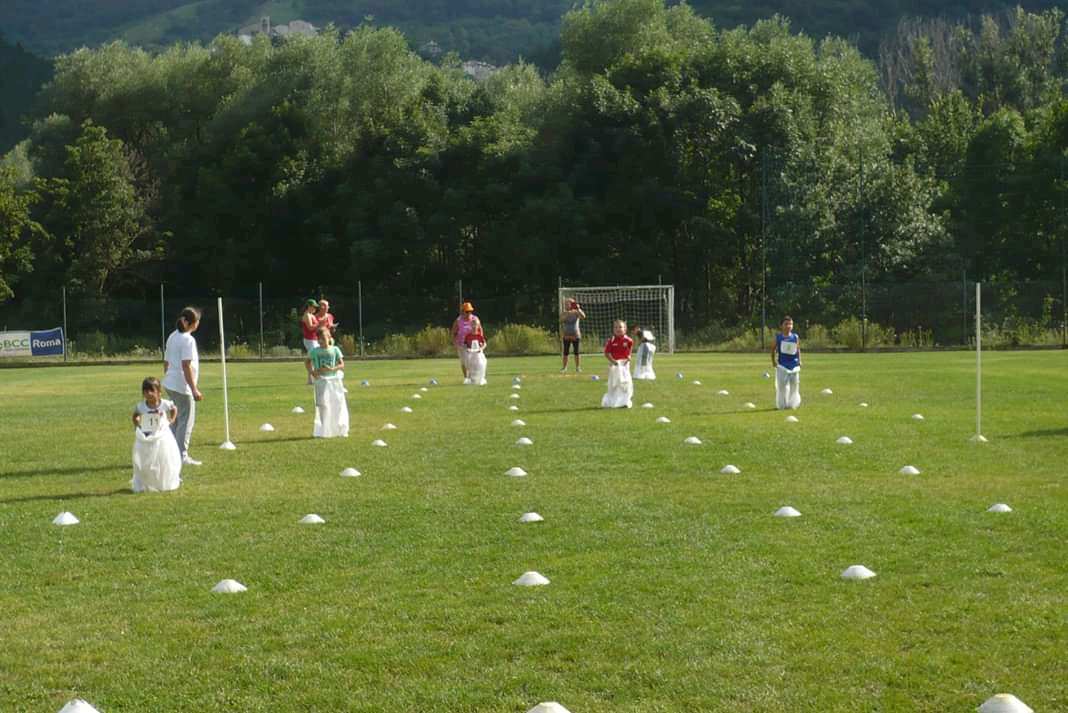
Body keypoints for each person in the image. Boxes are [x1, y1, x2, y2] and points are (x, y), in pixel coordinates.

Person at [163, 307, 203, 466]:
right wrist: (194, 389)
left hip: (170, 383)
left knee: (176, 420)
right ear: (192, 323)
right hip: (181, 386)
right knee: (185, 421)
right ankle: (181, 455)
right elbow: (186, 365)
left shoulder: (173, 336)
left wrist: (168, 377)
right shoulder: (188, 340)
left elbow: (166, 362)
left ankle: (170, 452)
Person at [131, 376, 182, 492]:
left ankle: (164, 479)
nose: (148, 394)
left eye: (151, 391)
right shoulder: (141, 406)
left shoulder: (164, 404)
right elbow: (135, 415)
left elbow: (173, 408)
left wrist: (172, 419)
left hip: (162, 437)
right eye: (145, 391)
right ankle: (148, 479)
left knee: (163, 457)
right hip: (147, 436)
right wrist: (137, 424)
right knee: (147, 458)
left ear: (159, 392)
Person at [310, 325, 349, 438]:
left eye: (323, 338)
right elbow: (307, 362)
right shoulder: (315, 351)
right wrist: (312, 372)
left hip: (334, 381)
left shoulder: (335, 349)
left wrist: (333, 369)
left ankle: (340, 429)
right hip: (321, 381)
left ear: (329, 337)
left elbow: (342, 364)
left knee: (338, 403)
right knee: (323, 405)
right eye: (319, 339)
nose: (321, 341)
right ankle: (324, 430)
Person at [602, 319, 634, 408]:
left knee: (626, 383)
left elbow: (629, 351)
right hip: (614, 365)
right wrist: (613, 361)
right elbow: (606, 353)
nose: (618, 329)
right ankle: (612, 401)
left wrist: (629, 357)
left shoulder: (629, 340)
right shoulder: (611, 341)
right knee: (614, 384)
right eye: (615, 327)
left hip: (624, 365)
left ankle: (625, 402)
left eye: (620, 327)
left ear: (625, 329)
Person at [772, 315, 801, 409]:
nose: (789, 326)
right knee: (781, 387)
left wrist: (800, 360)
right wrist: (773, 361)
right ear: (781, 326)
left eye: (790, 324)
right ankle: (781, 405)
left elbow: (798, 349)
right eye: (786, 324)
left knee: (794, 386)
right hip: (782, 366)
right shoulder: (778, 337)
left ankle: (792, 404)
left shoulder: (795, 337)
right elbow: (773, 350)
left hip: (794, 365)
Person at [450, 302, 482, 379]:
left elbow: (480, 329)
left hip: (473, 344)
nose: (469, 313)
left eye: (470, 311)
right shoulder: (458, 320)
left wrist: (480, 340)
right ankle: (466, 378)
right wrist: (455, 343)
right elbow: (453, 333)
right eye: (467, 311)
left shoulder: (475, 319)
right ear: (463, 311)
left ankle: (473, 377)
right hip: (462, 344)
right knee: (464, 362)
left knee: (474, 361)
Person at [559, 298, 586, 373]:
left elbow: (583, 316)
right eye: (565, 304)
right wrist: (568, 313)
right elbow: (561, 319)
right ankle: (564, 368)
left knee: (576, 352)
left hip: (575, 335)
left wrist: (578, 309)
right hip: (566, 335)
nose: (566, 305)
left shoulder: (576, 312)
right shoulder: (563, 312)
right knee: (565, 353)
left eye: (568, 303)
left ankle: (578, 368)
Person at [301, 299, 320, 384]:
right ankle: (313, 378)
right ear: (309, 306)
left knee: (312, 360)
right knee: (312, 358)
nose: (315, 308)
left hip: (314, 339)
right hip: (309, 339)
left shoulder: (312, 315)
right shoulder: (307, 315)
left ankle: (310, 380)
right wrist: (319, 323)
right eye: (313, 306)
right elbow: (310, 327)